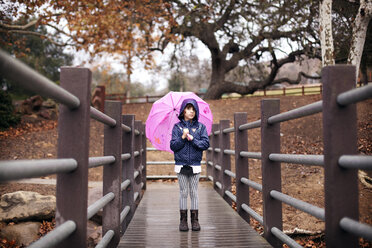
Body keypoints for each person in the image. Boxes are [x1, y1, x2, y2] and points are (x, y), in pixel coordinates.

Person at [170, 98, 210, 232]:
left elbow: (205, 144)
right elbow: (173, 146)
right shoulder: (177, 127)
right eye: (188, 109)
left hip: (195, 164)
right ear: (183, 111)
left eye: (193, 109)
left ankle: (195, 220)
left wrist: (193, 139)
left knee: (194, 192)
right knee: (183, 192)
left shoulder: (200, 127)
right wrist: (182, 137)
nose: (191, 112)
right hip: (181, 164)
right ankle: (183, 221)